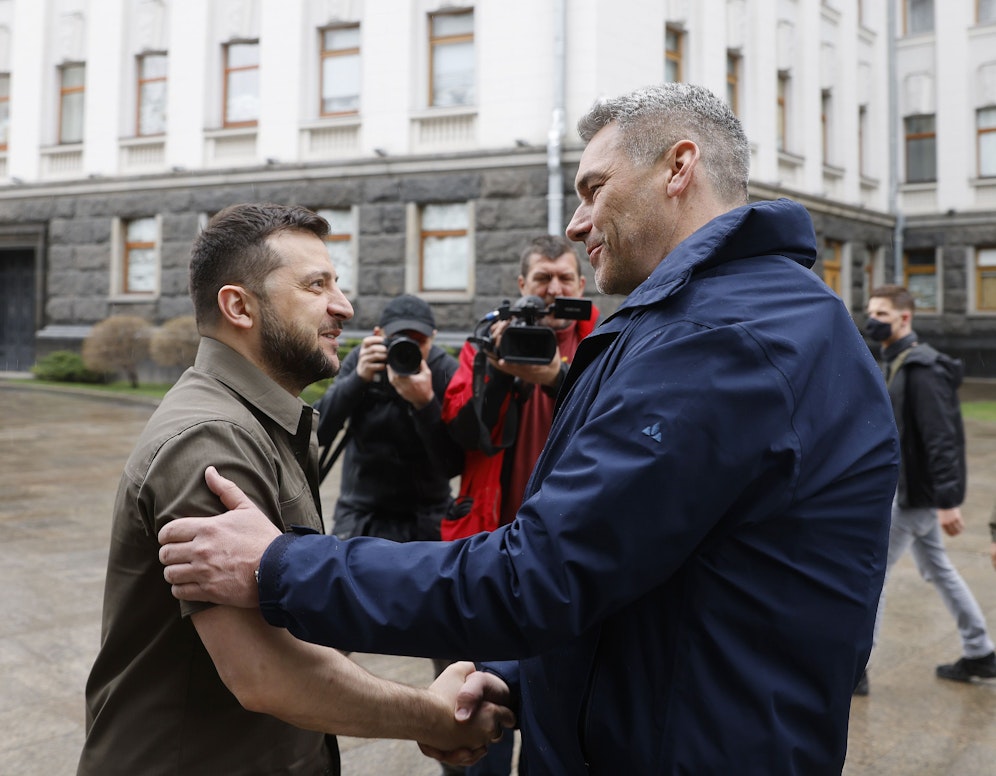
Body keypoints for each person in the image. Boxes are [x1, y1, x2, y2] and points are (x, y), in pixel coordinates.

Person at [158, 84, 899, 774]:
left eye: (593, 189)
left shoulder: (724, 339)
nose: (576, 225)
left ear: (679, 167)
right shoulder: (711, 319)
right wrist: (518, 681)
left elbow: (539, 575)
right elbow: (641, 582)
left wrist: (280, 567)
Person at [78, 203, 511, 776]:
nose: (344, 307)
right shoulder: (212, 441)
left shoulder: (256, 419)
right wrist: (434, 717)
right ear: (239, 306)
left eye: (338, 284)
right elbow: (267, 674)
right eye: (316, 286)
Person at [441, 236, 598, 774]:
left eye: (565, 279)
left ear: (581, 286)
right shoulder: (488, 340)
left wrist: (557, 378)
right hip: (487, 550)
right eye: (542, 280)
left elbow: (617, 424)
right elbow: (465, 432)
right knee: (472, 723)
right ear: (521, 287)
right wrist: (497, 370)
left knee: (558, 722)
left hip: (567, 564)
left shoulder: (607, 345)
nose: (554, 289)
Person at [859, 284, 996, 695]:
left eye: (882, 314)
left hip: (915, 495)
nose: (873, 321)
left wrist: (947, 500)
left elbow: (941, 439)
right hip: (908, 488)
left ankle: (855, 669)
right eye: (871, 313)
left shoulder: (921, 368)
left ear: (905, 318)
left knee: (873, 575)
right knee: (939, 566)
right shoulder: (897, 361)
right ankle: (980, 651)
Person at [315, 293, 462, 544]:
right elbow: (317, 433)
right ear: (378, 336)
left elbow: (452, 464)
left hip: (427, 517)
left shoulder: (444, 370)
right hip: (362, 515)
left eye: (419, 341)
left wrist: (424, 403)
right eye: (399, 340)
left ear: (433, 338)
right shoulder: (364, 359)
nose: (409, 349)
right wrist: (358, 379)